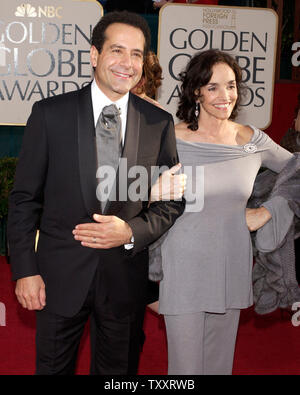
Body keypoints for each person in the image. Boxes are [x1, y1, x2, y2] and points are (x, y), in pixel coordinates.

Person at [7, 11, 185, 375]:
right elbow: (24, 199)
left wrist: (131, 231)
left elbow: (172, 200)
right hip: (57, 279)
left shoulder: (158, 123)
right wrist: (25, 269)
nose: (128, 63)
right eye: (117, 50)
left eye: (137, 54)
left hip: (124, 281)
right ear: (94, 55)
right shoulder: (50, 115)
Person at [154, 49, 295, 375]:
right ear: (196, 91)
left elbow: (296, 171)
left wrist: (270, 211)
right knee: (185, 372)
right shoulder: (168, 138)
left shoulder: (251, 140)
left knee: (219, 368)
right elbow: (127, 195)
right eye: (213, 87)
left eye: (231, 86)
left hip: (230, 266)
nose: (225, 95)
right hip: (182, 269)